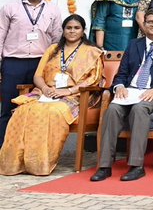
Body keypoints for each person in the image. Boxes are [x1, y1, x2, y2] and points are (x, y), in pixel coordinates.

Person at [92, 8, 153, 182]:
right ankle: (104, 166)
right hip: (130, 90)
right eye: (149, 22)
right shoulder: (134, 44)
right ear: (143, 25)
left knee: (139, 109)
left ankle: (136, 166)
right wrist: (119, 86)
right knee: (112, 109)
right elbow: (122, 73)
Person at [0, 14, 102, 175]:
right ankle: (15, 162)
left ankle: (39, 163)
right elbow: (37, 76)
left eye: (76, 28)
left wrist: (67, 91)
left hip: (74, 96)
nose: (72, 31)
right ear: (63, 31)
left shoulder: (92, 52)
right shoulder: (53, 50)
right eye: (68, 28)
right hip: (45, 92)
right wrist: (45, 88)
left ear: (83, 31)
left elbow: (93, 80)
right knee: (22, 110)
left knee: (52, 112)